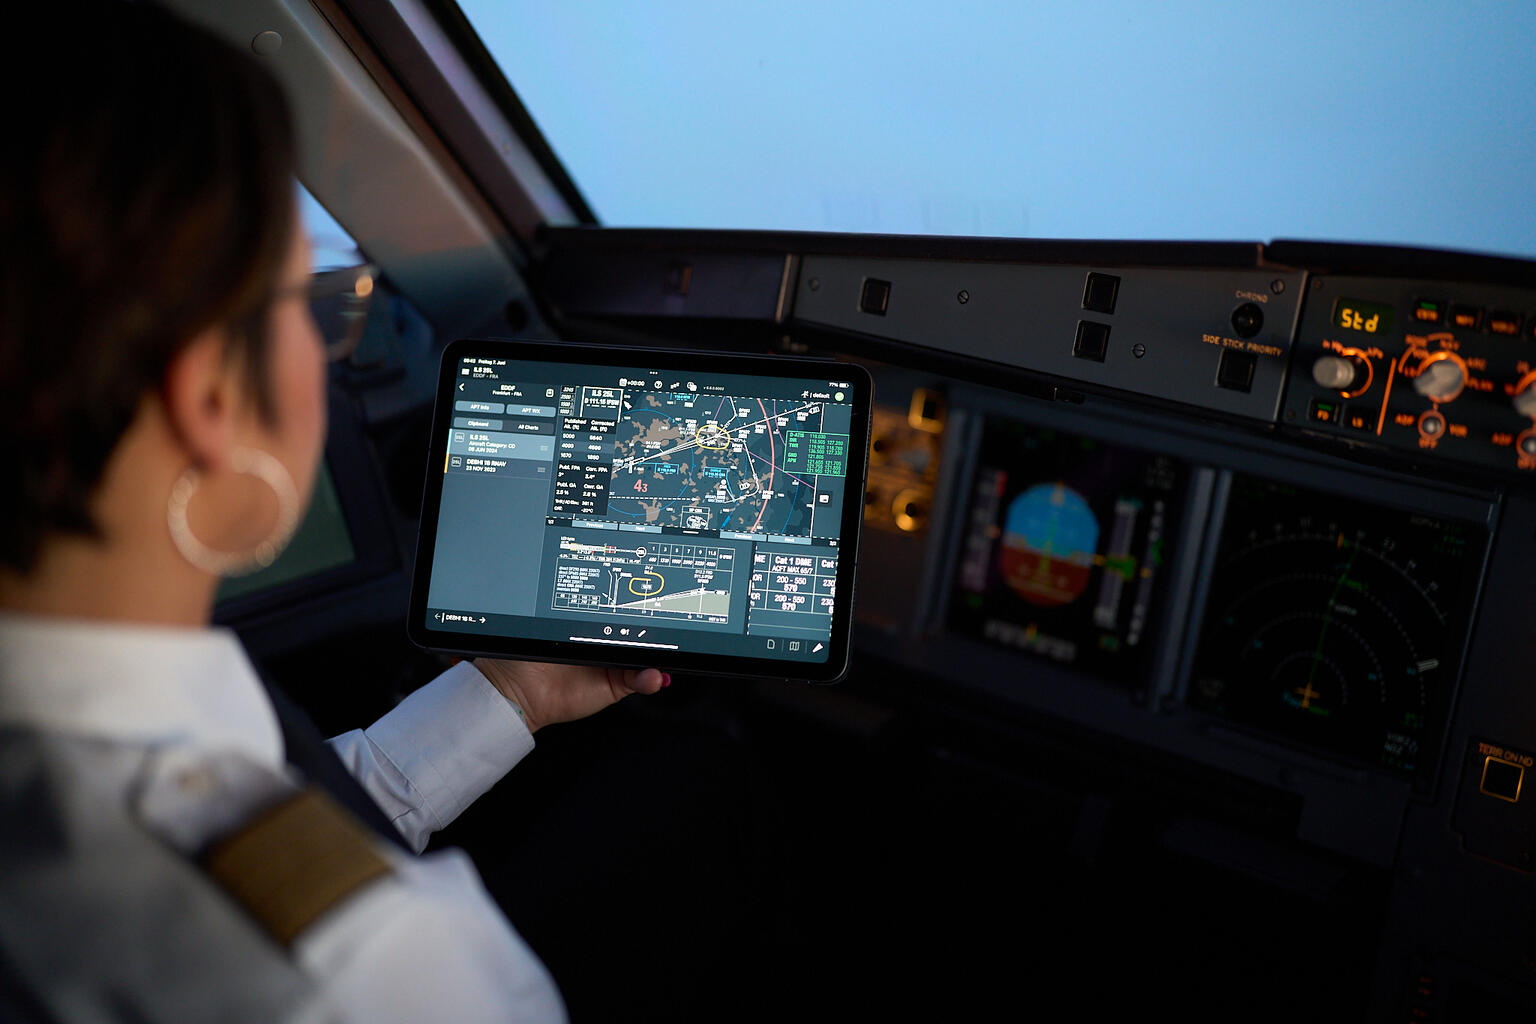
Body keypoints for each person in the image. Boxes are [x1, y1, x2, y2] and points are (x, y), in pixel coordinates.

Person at [0, 4, 666, 1020]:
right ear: (209, 399)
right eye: (308, 305)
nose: (329, 347)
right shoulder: (379, 978)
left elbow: (260, 829)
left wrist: (513, 692)